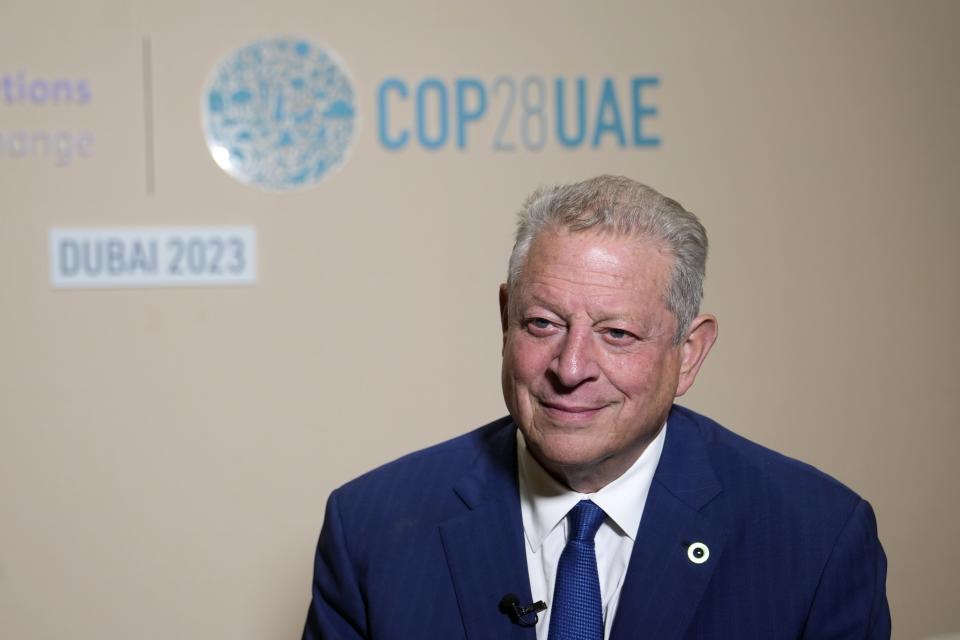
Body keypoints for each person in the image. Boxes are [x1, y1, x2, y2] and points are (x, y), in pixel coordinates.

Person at [302, 175, 890, 639]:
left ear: (688, 354)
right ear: (505, 320)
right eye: (542, 323)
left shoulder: (816, 539)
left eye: (617, 334)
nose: (571, 367)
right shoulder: (371, 532)